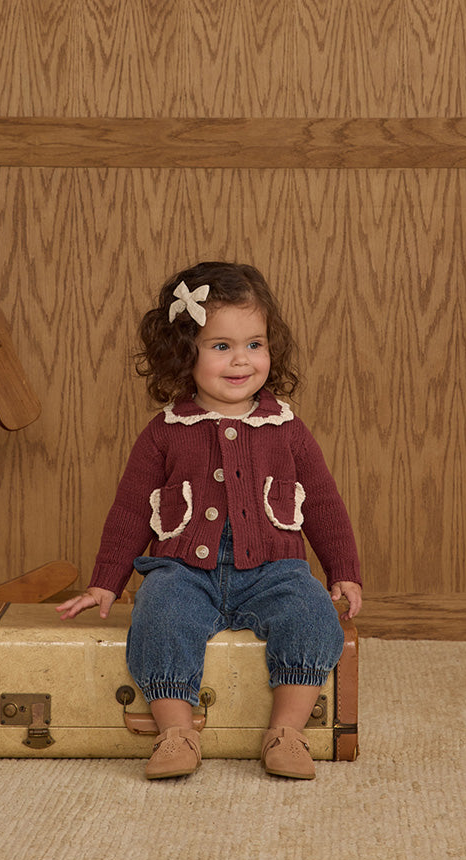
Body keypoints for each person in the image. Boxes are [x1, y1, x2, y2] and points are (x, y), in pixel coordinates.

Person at [57, 261, 362, 781]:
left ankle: (288, 732)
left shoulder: (285, 427)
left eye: (255, 344)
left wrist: (343, 570)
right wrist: (106, 582)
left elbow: (325, 503)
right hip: (184, 571)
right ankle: (176, 733)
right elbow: (131, 509)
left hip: (274, 569)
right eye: (221, 346)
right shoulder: (166, 431)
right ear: (184, 353)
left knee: (311, 614)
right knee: (158, 614)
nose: (242, 360)